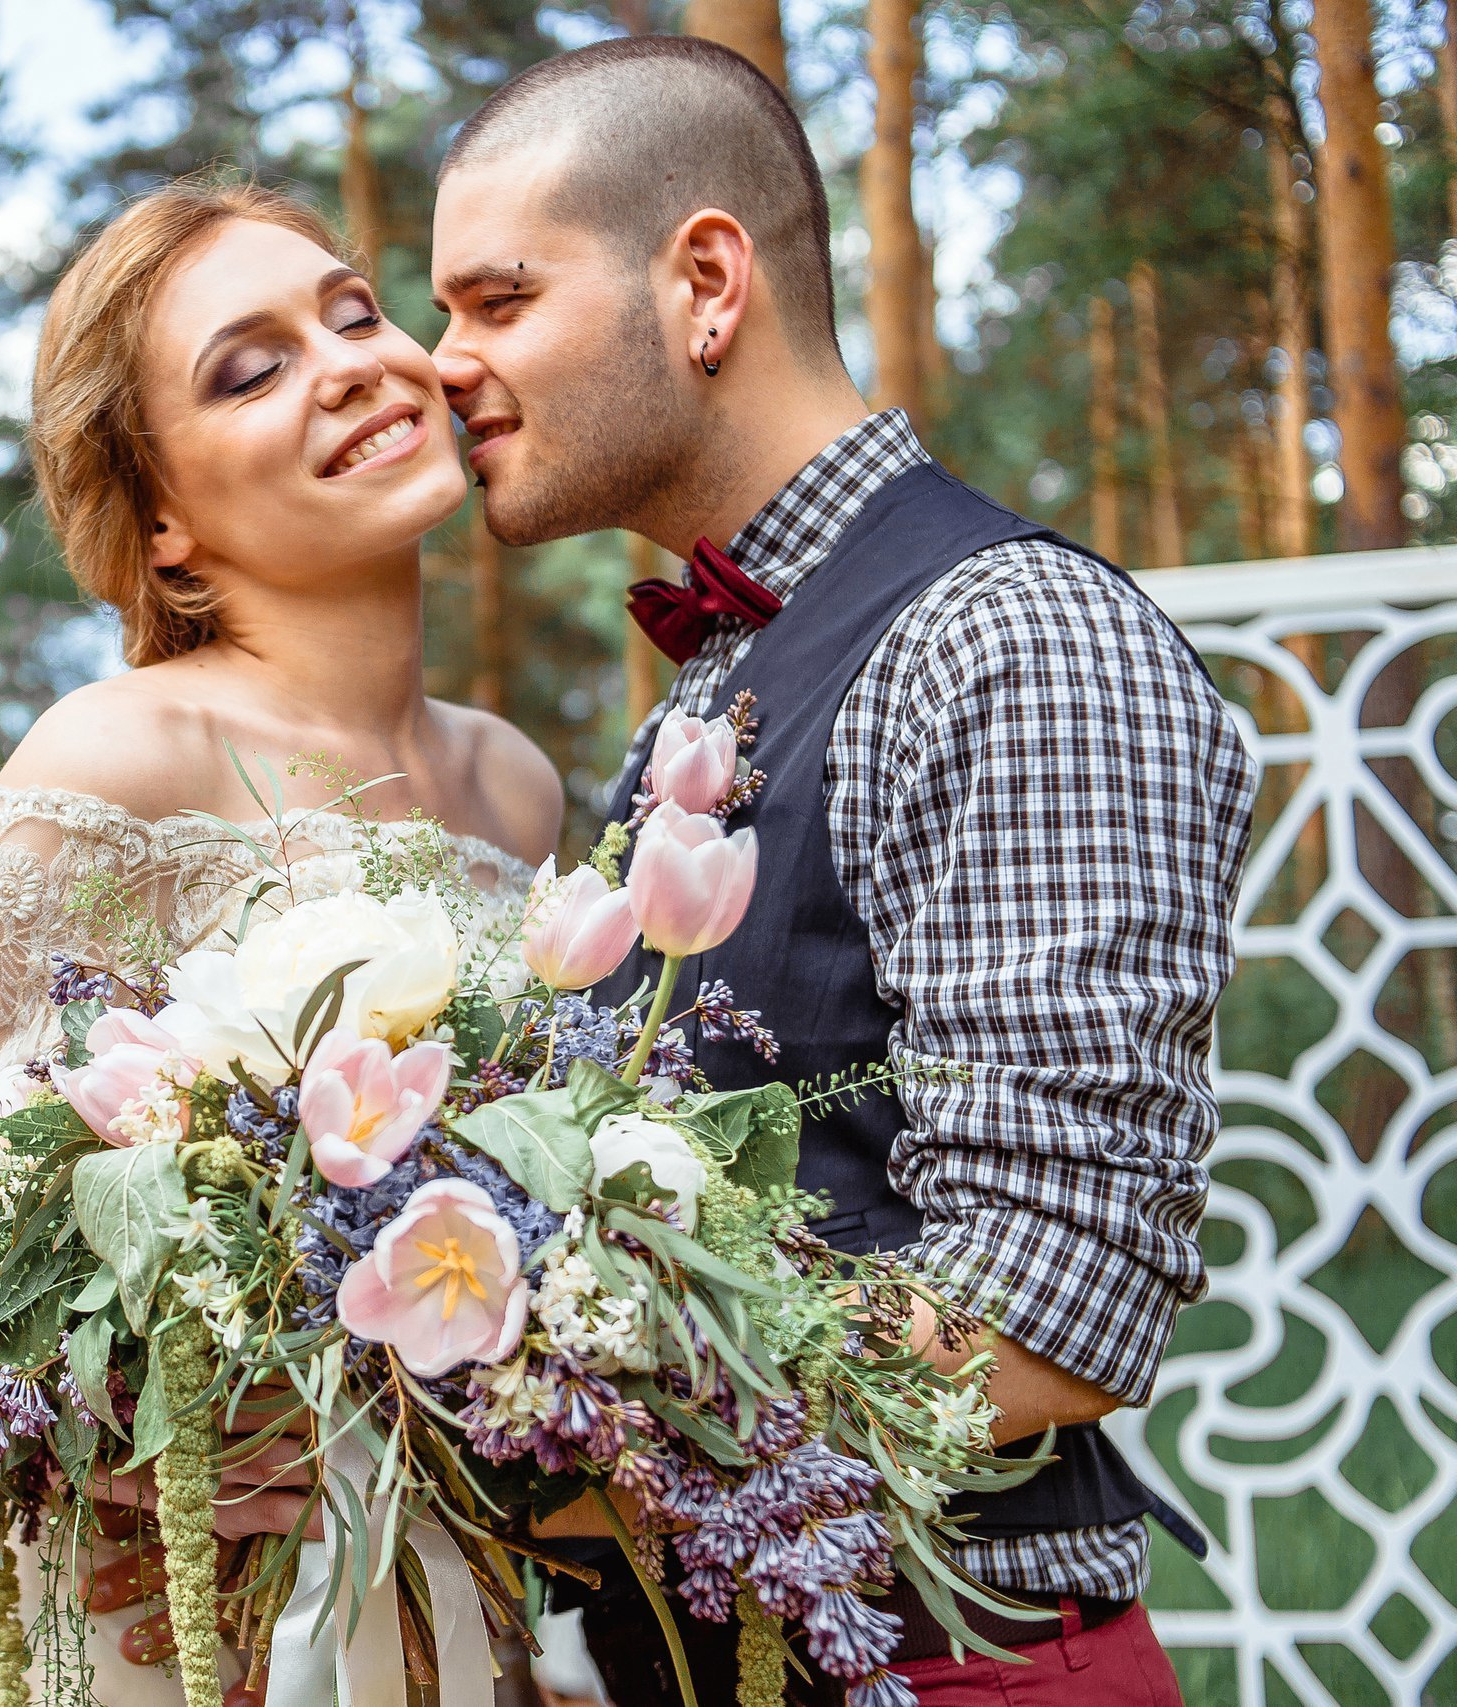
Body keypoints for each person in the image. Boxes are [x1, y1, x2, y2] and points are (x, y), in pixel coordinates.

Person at [427, 35, 1253, 1706]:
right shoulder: (728, 667)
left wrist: (518, 1446)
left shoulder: (1014, 640)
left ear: (706, 283)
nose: (443, 362)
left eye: (498, 300)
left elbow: (1053, 1297)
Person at [0, 175, 563, 1707]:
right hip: (163, 1620)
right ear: (168, 529)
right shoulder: (113, 756)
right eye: (249, 369)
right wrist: (102, 1423)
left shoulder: (516, 783)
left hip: (444, 1608)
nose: (353, 362)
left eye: (352, 310)